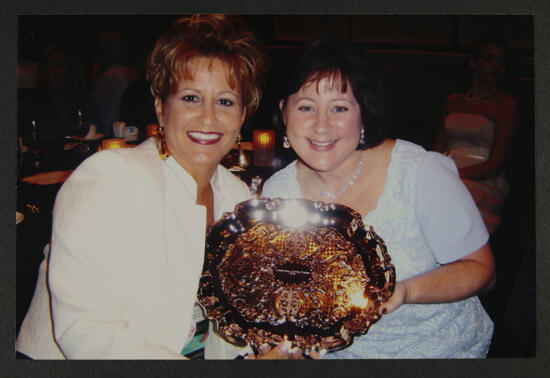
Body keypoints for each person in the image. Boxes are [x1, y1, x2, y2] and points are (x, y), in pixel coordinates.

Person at [15, 14, 300, 359]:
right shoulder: (109, 180)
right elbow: (87, 335)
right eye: (191, 98)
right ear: (160, 109)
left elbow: (230, 319)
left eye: (225, 101)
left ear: (242, 116)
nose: (208, 117)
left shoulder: (238, 198)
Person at [261, 39, 496, 358]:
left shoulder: (418, 173)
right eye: (305, 107)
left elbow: (482, 270)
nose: (321, 125)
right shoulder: (278, 193)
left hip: (442, 351)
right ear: (283, 112)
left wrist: (406, 291)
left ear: (363, 115)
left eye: (339, 108)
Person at [433, 38, 519, 234]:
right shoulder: (452, 102)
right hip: (448, 169)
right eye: (489, 59)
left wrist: (453, 176)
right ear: (473, 63)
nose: (496, 66)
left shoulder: (505, 105)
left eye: (501, 62)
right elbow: (437, 150)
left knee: (452, 199)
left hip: (483, 179)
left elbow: (496, 164)